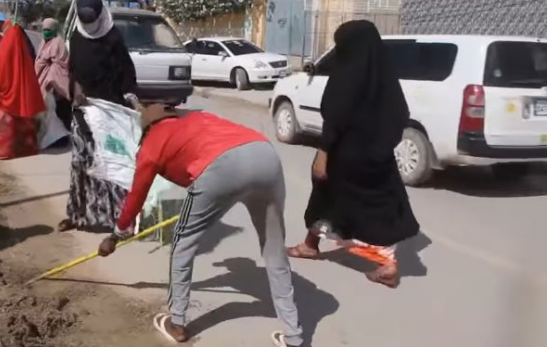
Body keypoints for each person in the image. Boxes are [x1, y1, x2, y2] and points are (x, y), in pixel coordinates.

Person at [97, 103, 303, 347]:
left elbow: (135, 198)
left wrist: (116, 235)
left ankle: (177, 323)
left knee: (183, 243)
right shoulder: (200, 117)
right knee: (274, 249)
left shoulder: (150, 146)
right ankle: (293, 336)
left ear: (147, 128)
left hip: (221, 167)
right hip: (265, 154)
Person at [286, 20, 420, 288]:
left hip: (345, 156)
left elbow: (335, 116)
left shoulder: (348, 74)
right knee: (345, 201)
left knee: (349, 207)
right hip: (377, 157)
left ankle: (386, 263)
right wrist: (380, 146)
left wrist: (323, 153)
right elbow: (400, 115)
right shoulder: (384, 79)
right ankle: (311, 244)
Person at [58, 0, 138, 233]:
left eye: (91, 18)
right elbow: (73, 70)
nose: (88, 24)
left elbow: (126, 75)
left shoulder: (113, 39)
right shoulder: (77, 37)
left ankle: (119, 220)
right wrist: (75, 91)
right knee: (80, 163)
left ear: (101, 14)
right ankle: (77, 215)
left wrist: (129, 102)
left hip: (109, 113)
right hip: (83, 112)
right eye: (84, 19)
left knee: (111, 164)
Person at [0, 22, 46, 159]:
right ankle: (25, 149)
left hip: (6, 94)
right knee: (23, 122)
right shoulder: (24, 49)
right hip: (22, 94)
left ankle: (5, 151)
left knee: (8, 126)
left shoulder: (4, 46)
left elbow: (0, 71)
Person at [35, 18, 71, 129]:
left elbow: (63, 61)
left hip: (56, 79)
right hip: (42, 79)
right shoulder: (43, 43)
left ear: (54, 30)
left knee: (58, 107)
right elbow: (39, 60)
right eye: (44, 29)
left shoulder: (58, 42)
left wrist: (50, 62)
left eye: (49, 29)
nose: (46, 32)